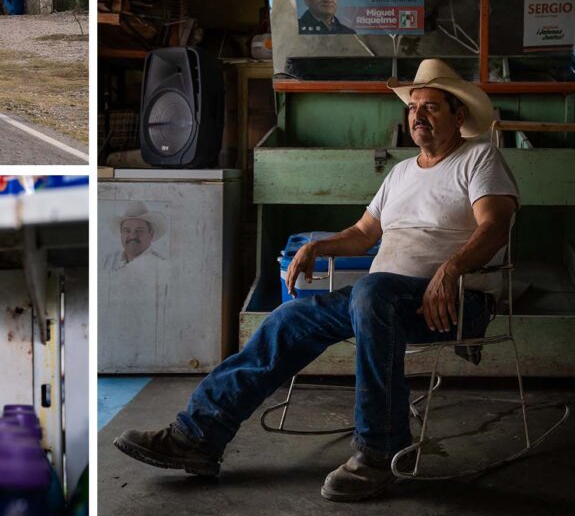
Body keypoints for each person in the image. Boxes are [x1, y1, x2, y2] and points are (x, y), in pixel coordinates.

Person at [113, 58, 519, 502]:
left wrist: (450, 270)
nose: (418, 116)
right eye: (413, 107)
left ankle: (379, 453)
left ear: (459, 116)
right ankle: (196, 436)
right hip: (379, 301)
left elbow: (494, 226)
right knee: (288, 319)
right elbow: (365, 233)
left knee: (371, 292)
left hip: (454, 301)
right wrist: (317, 247)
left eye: (432, 107)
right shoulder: (402, 172)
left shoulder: (479, 158)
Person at [101, 201, 167, 272]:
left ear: (151, 234)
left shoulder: (162, 267)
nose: (132, 236)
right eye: (126, 230)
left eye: (139, 230)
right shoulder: (107, 262)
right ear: (121, 234)